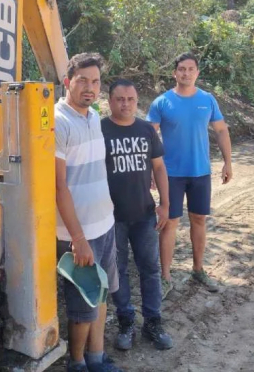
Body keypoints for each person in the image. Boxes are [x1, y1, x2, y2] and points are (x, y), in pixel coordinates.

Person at [54, 52, 121, 372]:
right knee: (82, 307)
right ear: (67, 82)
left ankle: (97, 358)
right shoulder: (57, 121)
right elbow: (59, 187)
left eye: (95, 82)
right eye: (83, 81)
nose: (90, 88)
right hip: (77, 234)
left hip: (104, 226)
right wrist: (78, 239)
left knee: (102, 295)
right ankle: (77, 363)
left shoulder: (94, 116)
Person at [147, 52, 232, 297]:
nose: (186, 73)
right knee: (169, 223)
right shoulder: (162, 102)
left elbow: (221, 131)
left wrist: (228, 163)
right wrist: (150, 171)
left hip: (200, 173)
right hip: (170, 174)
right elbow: (150, 138)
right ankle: (165, 277)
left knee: (199, 220)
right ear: (175, 73)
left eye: (190, 69)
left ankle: (198, 269)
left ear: (197, 73)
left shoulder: (207, 100)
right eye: (181, 69)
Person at [102, 79, 173, 351]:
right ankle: (126, 322)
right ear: (109, 101)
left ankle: (153, 322)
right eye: (120, 99)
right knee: (117, 271)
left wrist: (165, 205)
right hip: (111, 217)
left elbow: (159, 168)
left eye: (131, 99)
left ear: (136, 100)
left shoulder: (145, 129)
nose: (126, 104)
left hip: (144, 214)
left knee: (150, 270)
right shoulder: (100, 129)